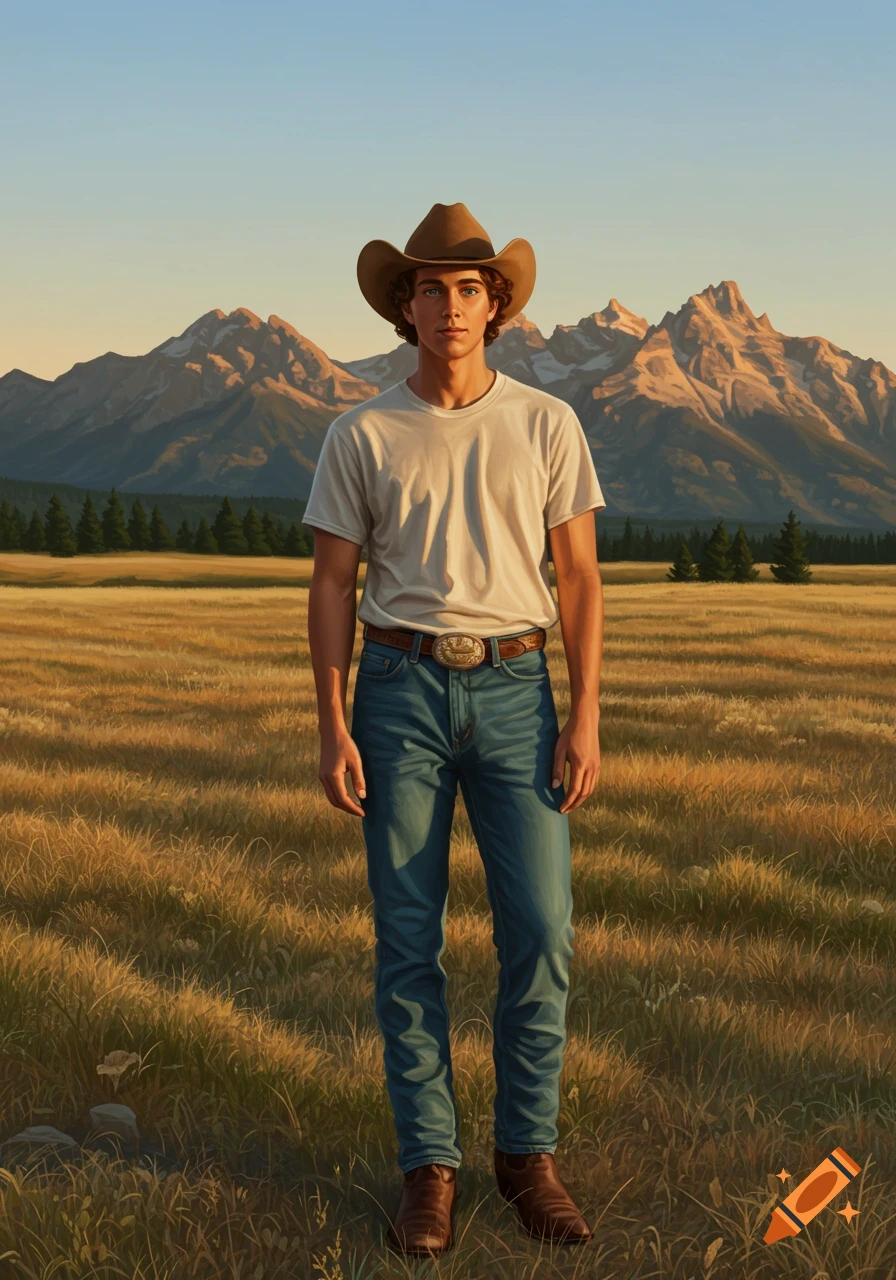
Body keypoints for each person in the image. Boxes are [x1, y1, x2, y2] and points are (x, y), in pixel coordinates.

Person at [302, 201, 605, 1257]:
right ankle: (427, 1165)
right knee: (406, 941)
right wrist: (333, 723)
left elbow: (576, 577)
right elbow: (333, 584)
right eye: (427, 287)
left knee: (542, 933)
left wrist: (584, 716)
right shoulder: (361, 432)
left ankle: (525, 1156)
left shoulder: (545, 423)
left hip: (520, 693)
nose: (447, 304)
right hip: (396, 692)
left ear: (495, 304)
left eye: (467, 287)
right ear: (404, 307)